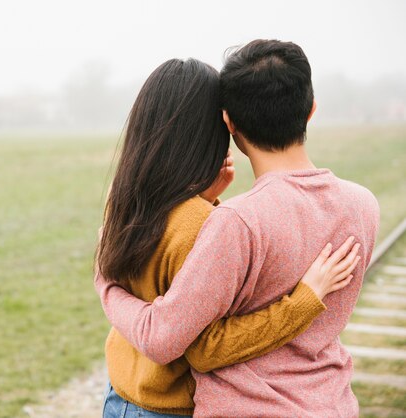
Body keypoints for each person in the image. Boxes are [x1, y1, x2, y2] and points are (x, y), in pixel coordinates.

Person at [96, 56, 363, 418]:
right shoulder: (201, 222)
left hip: (120, 395)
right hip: (167, 405)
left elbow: (157, 264)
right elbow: (206, 348)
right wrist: (302, 302)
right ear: (219, 125)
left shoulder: (125, 197)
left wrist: (204, 200)